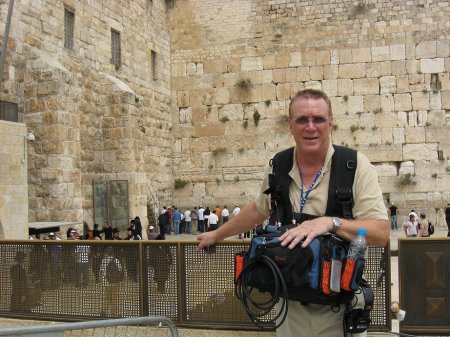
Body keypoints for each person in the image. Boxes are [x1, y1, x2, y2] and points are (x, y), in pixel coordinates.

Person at [197, 89, 389, 337]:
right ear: (290, 125)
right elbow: (258, 208)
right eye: (302, 120)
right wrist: (217, 235)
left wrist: (330, 223)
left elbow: (381, 233)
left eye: (319, 119)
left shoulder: (353, 166)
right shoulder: (279, 164)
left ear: (330, 122)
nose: (311, 127)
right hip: (289, 309)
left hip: (338, 312)